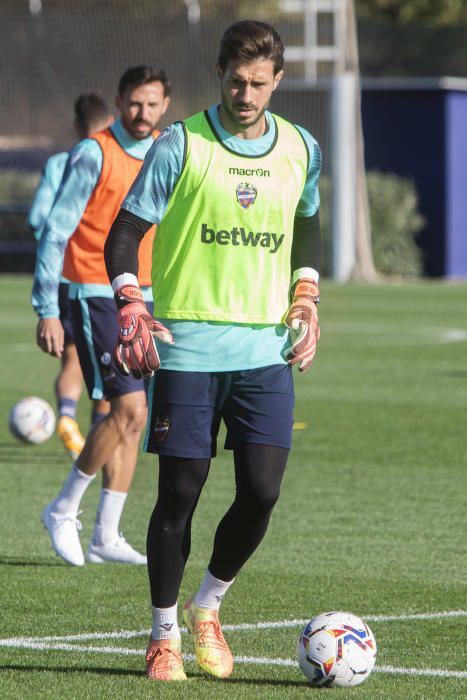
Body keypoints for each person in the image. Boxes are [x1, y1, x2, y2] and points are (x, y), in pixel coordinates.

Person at [105, 20, 321, 681]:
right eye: (235, 81)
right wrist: (130, 302)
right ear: (220, 74)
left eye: (258, 84)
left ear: (277, 81)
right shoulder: (182, 144)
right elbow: (125, 236)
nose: (245, 94)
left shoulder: (300, 148)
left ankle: (208, 607)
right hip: (189, 348)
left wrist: (306, 296)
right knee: (180, 494)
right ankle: (164, 633)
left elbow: (306, 224)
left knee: (261, 491)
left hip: (264, 349)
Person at [32, 65, 171, 566]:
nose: (143, 113)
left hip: (143, 295)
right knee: (127, 410)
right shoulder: (94, 152)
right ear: (119, 100)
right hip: (93, 293)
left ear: (165, 107)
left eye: (153, 104)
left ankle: (106, 534)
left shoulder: (165, 150)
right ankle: (63, 507)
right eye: (135, 102)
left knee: (136, 420)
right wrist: (48, 309)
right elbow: (55, 231)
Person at [29, 94, 113, 459]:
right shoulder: (114, 160)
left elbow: (38, 219)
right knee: (113, 368)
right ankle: (98, 438)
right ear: (110, 120)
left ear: (78, 126)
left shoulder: (60, 162)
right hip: (105, 279)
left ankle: (65, 417)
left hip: (65, 279)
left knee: (73, 358)